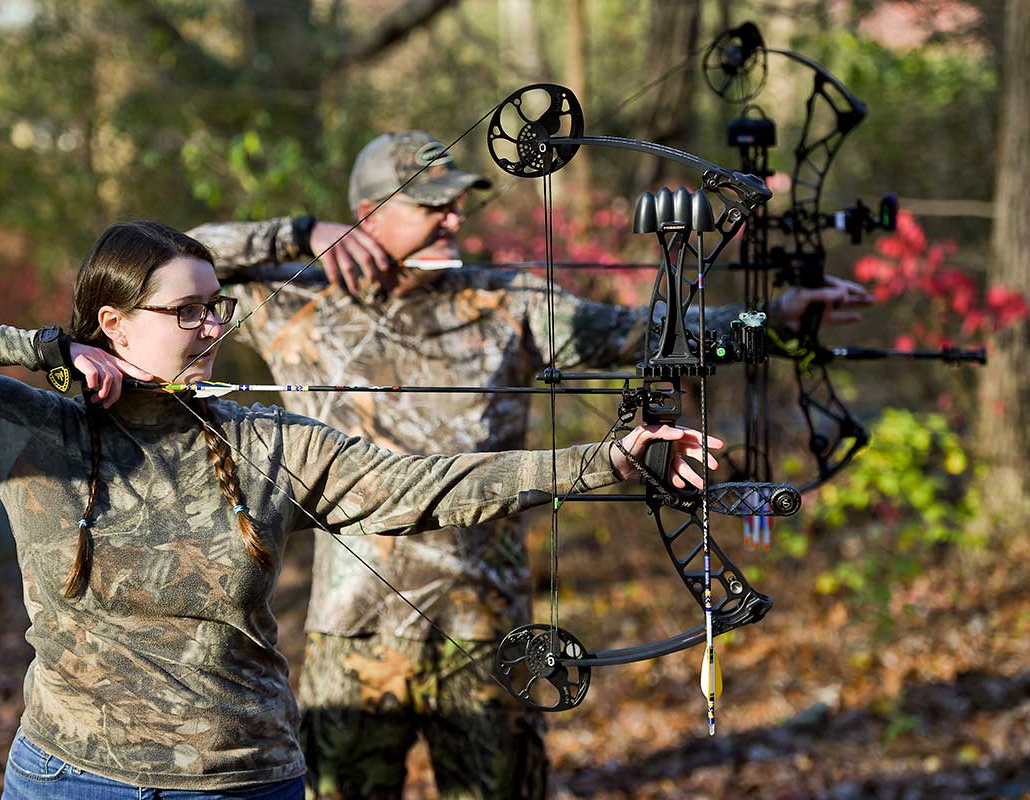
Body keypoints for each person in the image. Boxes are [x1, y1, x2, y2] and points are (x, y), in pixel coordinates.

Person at [0, 220, 718, 799]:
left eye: (215, 308)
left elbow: (428, 483)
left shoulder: (273, 441)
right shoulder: (27, 430)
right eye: (185, 312)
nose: (213, 328)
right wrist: (34, 348)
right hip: (68, 778)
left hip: (239, 777)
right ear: (113, 323)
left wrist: (606, 459)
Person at [188, 131, 874, 800]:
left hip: (486, 623)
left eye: (458, 203)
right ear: (370, 215)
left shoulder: (506, 298)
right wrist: (301, 233)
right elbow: (180, 259)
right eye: (431, 206)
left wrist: (774, 318)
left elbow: (637, 335)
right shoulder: (297, 297)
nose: (454, 218)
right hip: (353, 624)